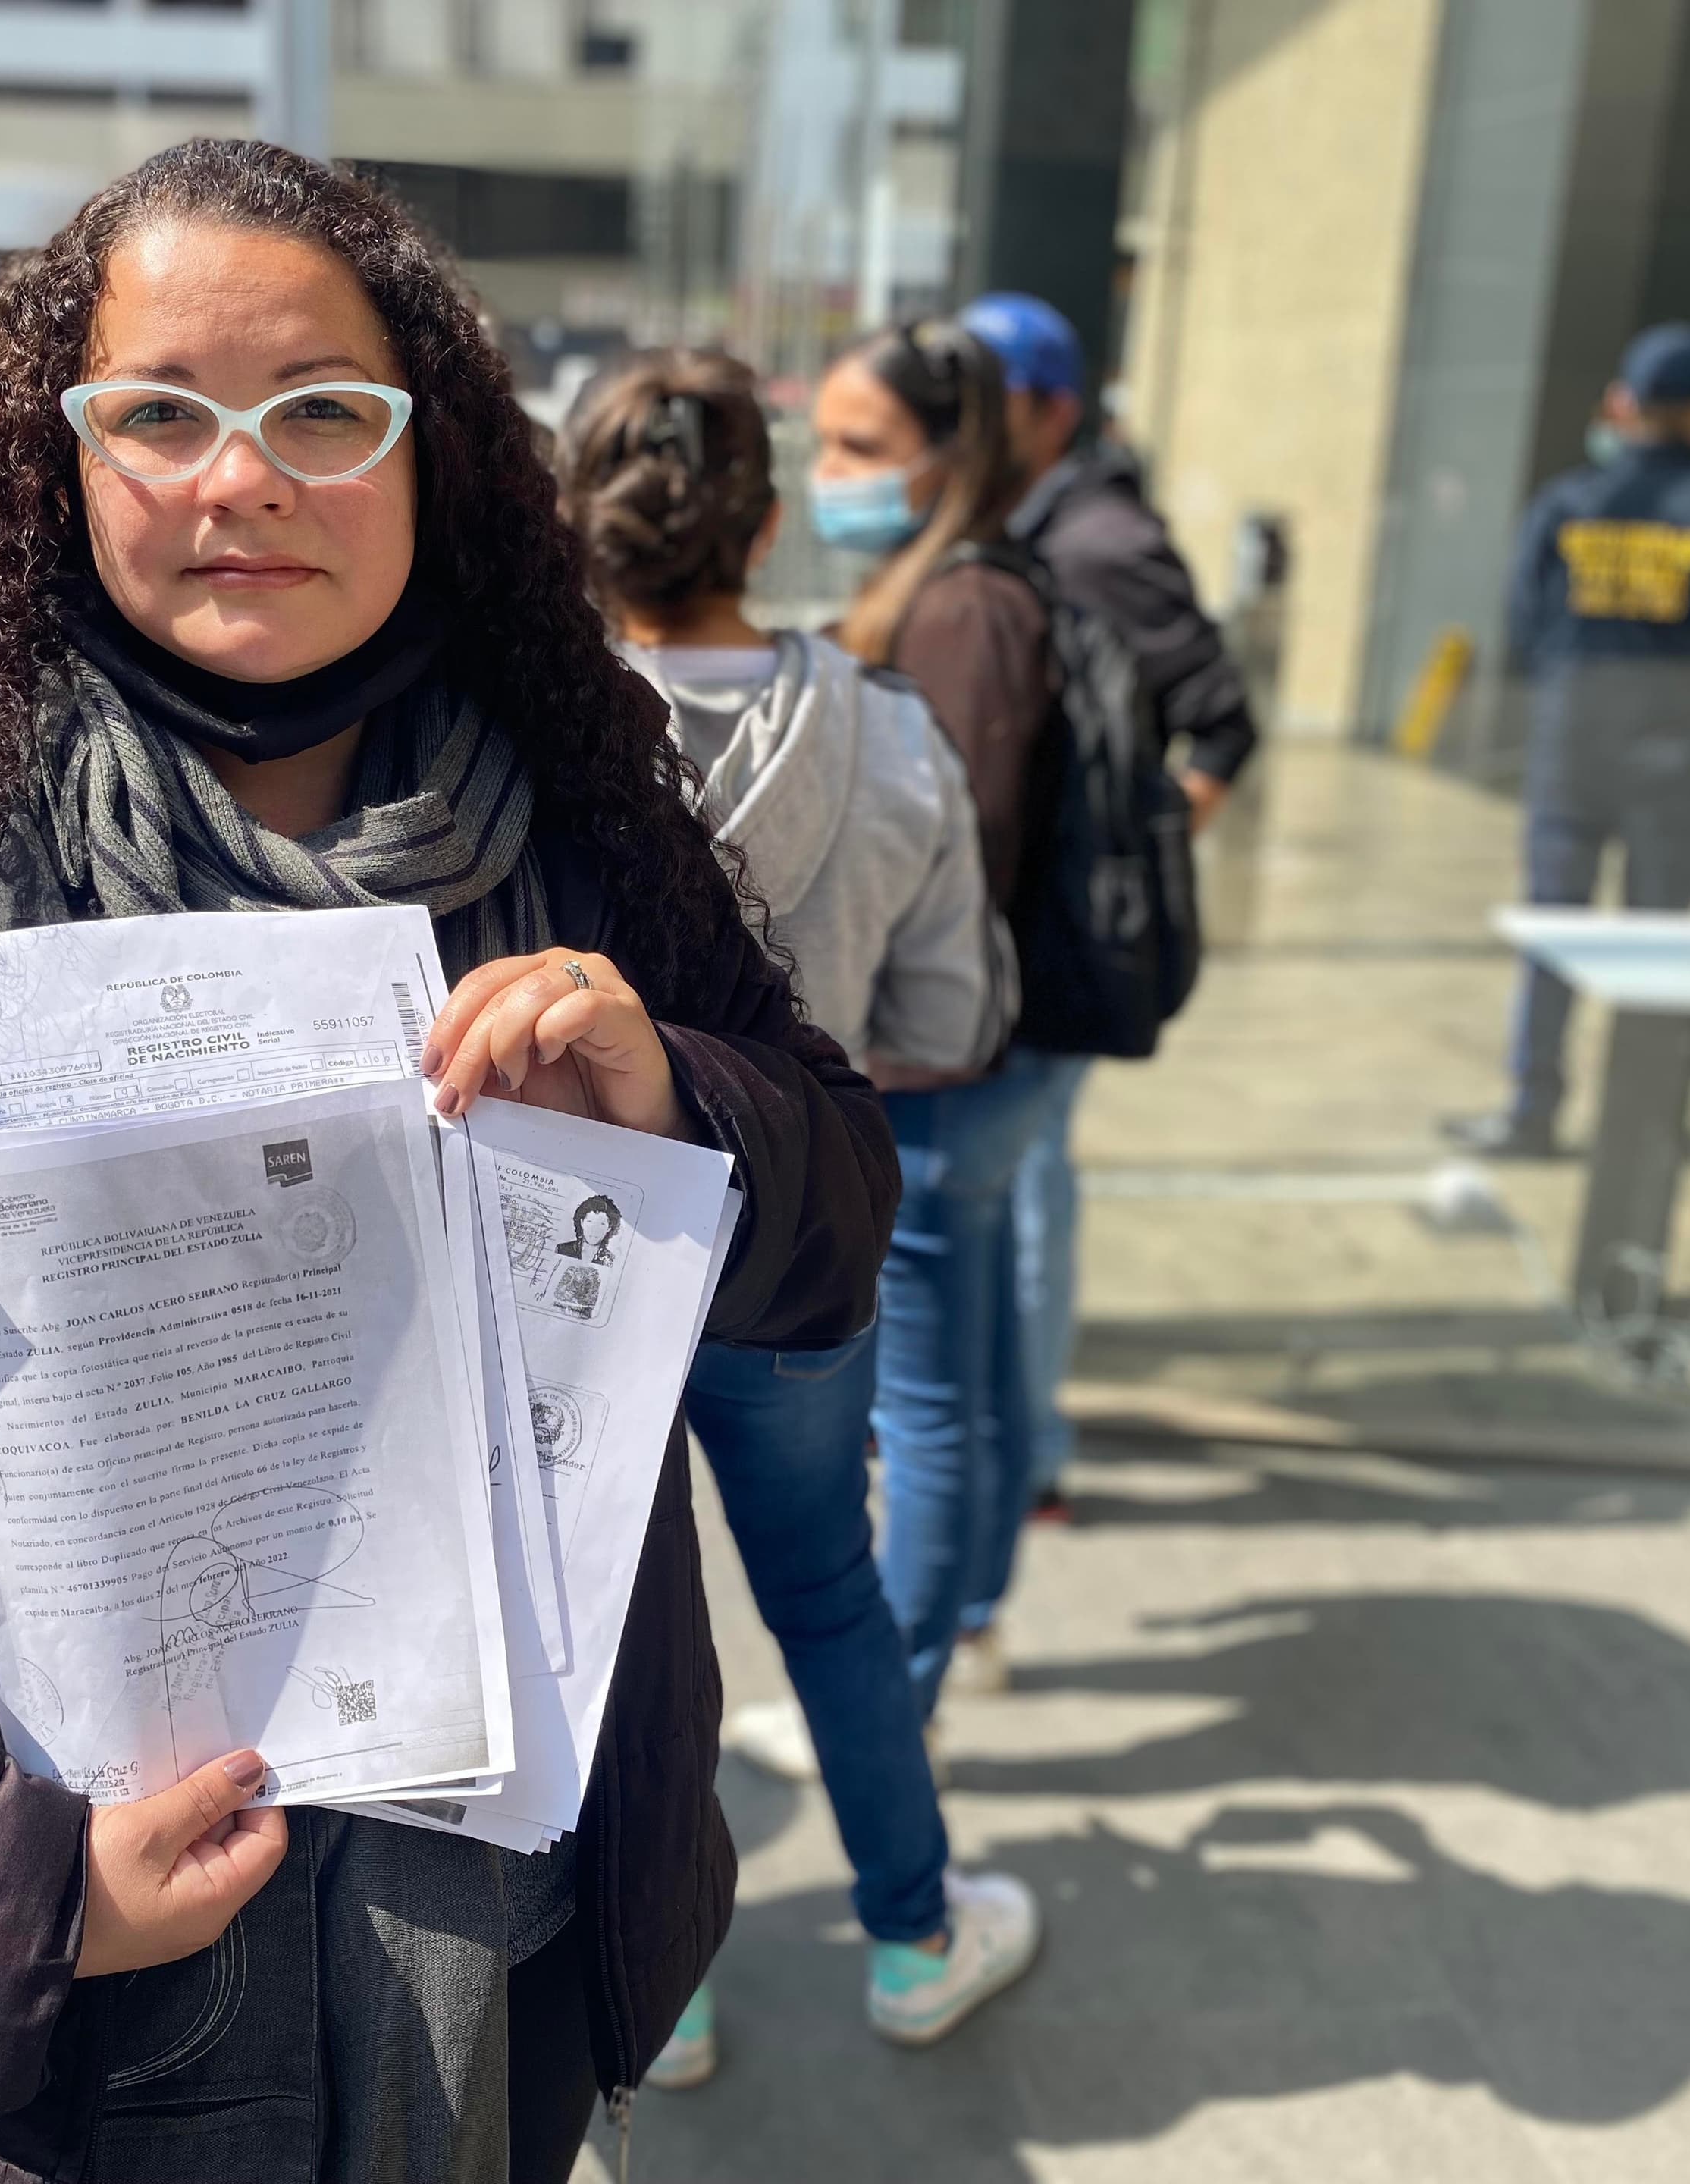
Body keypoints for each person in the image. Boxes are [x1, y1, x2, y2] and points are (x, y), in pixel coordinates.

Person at [0, 140, 895, 2184]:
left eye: (321, 415)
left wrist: (678, 1110)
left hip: (486, 1923)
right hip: (53, 1991)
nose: (239, 476)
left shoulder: (575, 808)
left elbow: (832, 1228)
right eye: (161, 413)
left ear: (425, 445)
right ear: (60, 454)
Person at [556, 348, 1036, 2089]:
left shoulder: (494, 728)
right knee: (823, 1592)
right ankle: (911, 1934)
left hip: (569, 1253)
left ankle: (661, 1985)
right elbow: (945, 1010)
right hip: (792, 1240)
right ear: (766, 520)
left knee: (609, 1604)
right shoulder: (888, 732)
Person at [801, 319, 1083, 1738]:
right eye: (826, 440)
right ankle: (956, 1636)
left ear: (947, 458)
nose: (826, 473)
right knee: (958, 1379)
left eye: (862, 448)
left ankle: (888, 1702)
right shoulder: (985, 587)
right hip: (972, 1057)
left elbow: (939, 851)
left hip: (934, 1062)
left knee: (921, 1408)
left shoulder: (961, 609)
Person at [958, 289, 1261, 1543]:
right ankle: (1012, 1452)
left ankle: (1028, 1460)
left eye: (986, 399)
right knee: (1017, 1199)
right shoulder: (1024, 525)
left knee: (1026, 1205)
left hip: (1055, 953)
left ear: (1050, 412)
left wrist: (1125, 858)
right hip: (1021, 946)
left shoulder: (1097, 543)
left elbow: (1223, 716)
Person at [1447, 322, 1690, 1159]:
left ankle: (1532, 1109)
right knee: (1658, 950)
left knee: (1556, 937)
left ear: (1625, 403)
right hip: (1673, 761)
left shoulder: (1566, 505)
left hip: (1570, 750)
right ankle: (1641, 1123)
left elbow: (1524, 628)